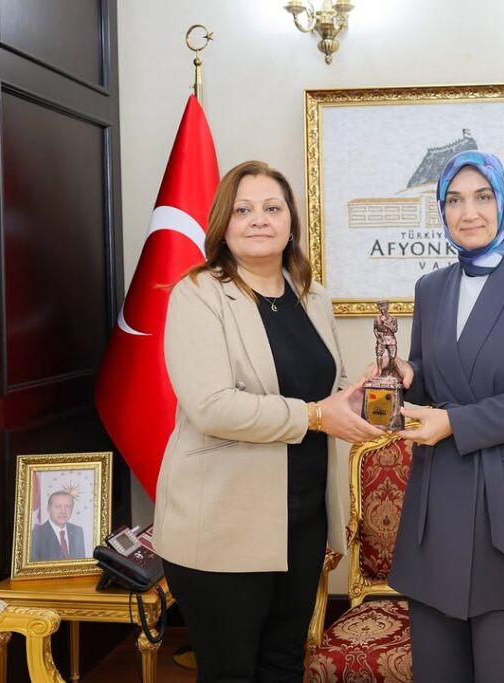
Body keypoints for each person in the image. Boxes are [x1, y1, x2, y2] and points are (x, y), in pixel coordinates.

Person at [153, 160, 383, 683]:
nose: (259, 219)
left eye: (272, 208)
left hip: (301, 525)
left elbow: (331, 390)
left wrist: (366, 394)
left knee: (284, 662)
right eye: (244, 209)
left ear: (290, 221)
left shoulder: (314, 296)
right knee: (232, 672)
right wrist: (315, 415)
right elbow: (211, 406)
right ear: (223, 224)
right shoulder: (198, 293)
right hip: (221, 525)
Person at [386, 150, 504, 682]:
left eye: (482, 196)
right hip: (441, 495)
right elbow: (435, 378)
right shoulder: (431, 288)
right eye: (453, 199)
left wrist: (456, 423)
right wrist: (408, 376)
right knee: (440, 666)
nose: (467, 212)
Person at [30, 491, 87, 561]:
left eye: (68, 506)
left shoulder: (77, 531)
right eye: (58, 506)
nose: (63, 511)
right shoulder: (37, 534)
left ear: (72, 509)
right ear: (48, 509)